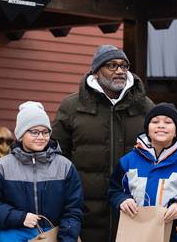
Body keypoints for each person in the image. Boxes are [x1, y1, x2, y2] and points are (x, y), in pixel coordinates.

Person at [52, 44, 154, 241]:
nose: (120, 71)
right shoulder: (72, 106)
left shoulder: (145, 106)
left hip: (134, 208)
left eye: (124, 66)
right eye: (112, 66)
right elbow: (57, 156)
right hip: (85, 210)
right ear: (97, 71)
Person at [0, 101, 83, 242]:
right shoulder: (0, 167)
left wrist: (66, 239)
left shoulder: (65, 166)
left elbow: (73, 209)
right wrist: (20, 218)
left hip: (51, 236)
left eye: (45, 132)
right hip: (11, 236)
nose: (41, 137)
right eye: (34, 132)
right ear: (21, 134)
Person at [109, 102, 177, 242]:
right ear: (147, 129)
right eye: (155, 121)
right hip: (135, 234)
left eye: (168, 122)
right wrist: (122, 200)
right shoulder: (128, 162)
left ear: (176, 131)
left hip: (174, 236)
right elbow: (114, 190)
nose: (161, 125)